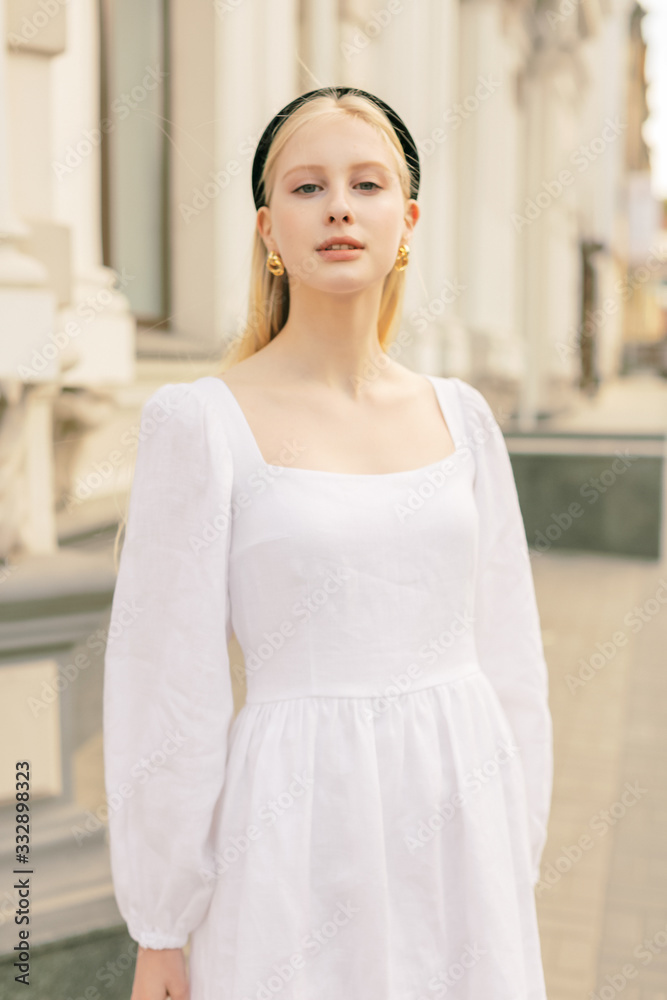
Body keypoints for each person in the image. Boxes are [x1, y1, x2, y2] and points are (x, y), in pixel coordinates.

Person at [103, 86, 553, 1000]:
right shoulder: (200, 422)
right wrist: (160, 924)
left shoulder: (462, 418)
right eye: (307, 188)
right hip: (293, 825)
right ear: (269, 232)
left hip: (460, 820)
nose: (339, 206)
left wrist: (516, 840)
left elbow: (510, 654)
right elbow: (166, 681)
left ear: (407, 220)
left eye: (366, 183)